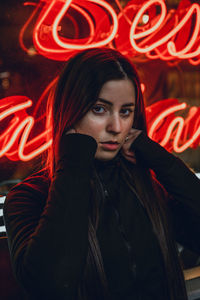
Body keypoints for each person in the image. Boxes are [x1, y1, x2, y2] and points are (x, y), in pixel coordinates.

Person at [3, 48, 200, 300]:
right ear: (71, 110)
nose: (116, 127)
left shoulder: (147, 187)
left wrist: (162, 161)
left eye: (126, 111)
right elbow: (51, 285)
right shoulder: (28, 197)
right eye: (99, 109)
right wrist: (74, 159)